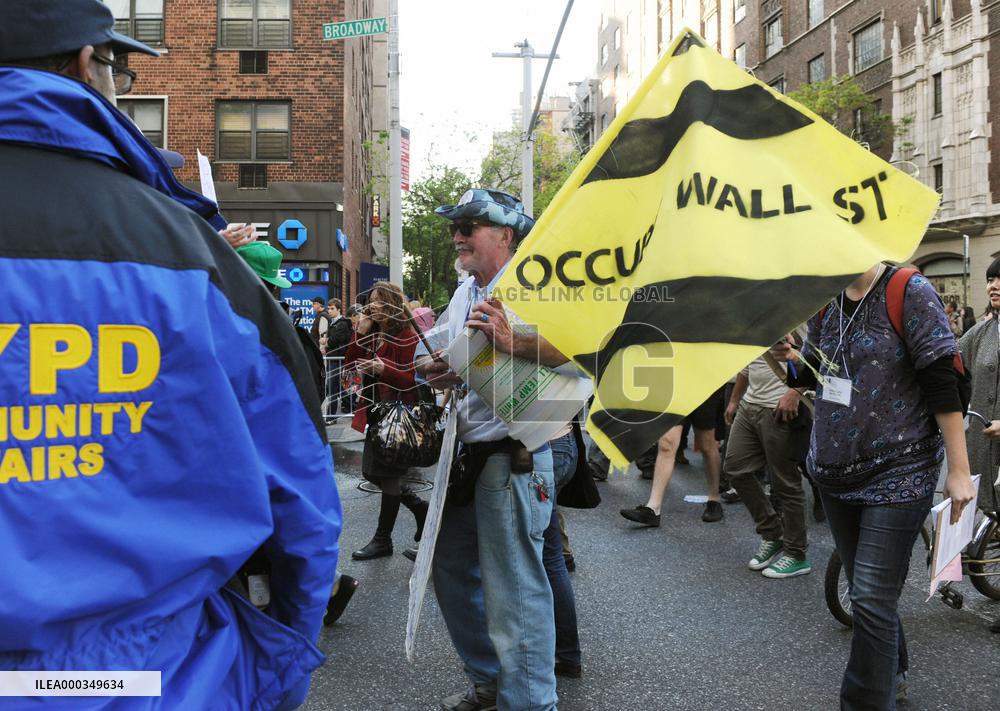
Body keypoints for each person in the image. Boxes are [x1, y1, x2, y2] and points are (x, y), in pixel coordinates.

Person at [0, 3, 340, 709]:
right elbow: (302, 494)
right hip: (150, 679)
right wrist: (277, 667)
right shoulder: (193, 257)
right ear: (89, 65)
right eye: (121, 70)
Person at [772, 262, 975, 709]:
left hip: (899, 471)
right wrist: (776, 348)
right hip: (832, 472)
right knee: (872, 596)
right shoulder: (826, 302)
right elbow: (810, 375)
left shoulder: (908, 290)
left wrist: (959, 471)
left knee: (867, 595)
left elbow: (942, 381)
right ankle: (894, 671)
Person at [415, 188, 563, 711]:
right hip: (468, 452)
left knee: (515, 591)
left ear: (505, 234)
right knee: (451, 570)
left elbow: (585, 354)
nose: (458, 234)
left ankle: (529, 702)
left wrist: (516, 342)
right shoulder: (464, 291)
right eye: (456, 224)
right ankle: (490, 682)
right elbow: (447, 358)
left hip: (515, 454)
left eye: (470, 225)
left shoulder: (540, 281)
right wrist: (435, 369)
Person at [345, 281, 429, 561]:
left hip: (397, 414)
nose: (373, 306)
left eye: (379, 301)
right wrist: (360, 333)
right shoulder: (374, 333)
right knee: (371, 473)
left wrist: (384, 369)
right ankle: (419, 508)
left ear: (392, 303)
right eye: (371, 301)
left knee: (389, 476)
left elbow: (411, 378)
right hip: (374, 411)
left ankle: (382, 540)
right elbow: (349, 363)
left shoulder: (407, 334)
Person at [723, 349, 812, 579]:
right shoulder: (754, 318)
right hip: (749, 405)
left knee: (785, 482)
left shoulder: (796, 317)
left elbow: (817, 358)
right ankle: (773, 533)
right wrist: (734, 400)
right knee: (735, 468)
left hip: (779, 408)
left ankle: (796, 553)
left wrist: (795, 392)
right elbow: (747, 364)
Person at [620, 387, 726, 526]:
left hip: (703, 382)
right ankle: (653, 508)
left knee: (706, 444)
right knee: (666, 443)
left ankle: (714, 498)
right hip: (676, 381)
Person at [958, 256, 1000, 514]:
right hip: (983, 454)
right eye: (990, 280)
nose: (993, 286)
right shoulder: (981, 333)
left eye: (999, 279)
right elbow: (946, 367)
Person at [326, 297, 353, 414]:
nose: (329, 311)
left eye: (332, 308)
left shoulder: (341, 324)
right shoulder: (334, 323)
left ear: (338, 310)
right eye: (328, 308)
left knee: (333, 387)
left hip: (337, 358)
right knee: (336, 387)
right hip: (333, 357)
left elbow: (335, 340)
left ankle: (331, 416)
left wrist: (326, 341)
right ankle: (353, 405)